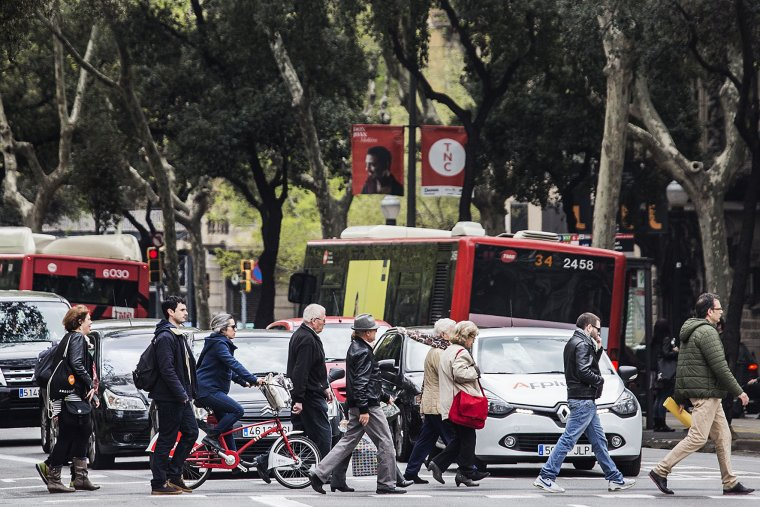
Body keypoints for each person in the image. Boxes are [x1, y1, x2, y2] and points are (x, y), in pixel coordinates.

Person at [649, 293, 754, 496]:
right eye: (718, 309)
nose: (721, 312)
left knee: (723, 435)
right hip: (706, 393)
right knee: (698, 437)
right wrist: (739, 391)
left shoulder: (691, 332)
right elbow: (720, 367)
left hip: (709, 394)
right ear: (709, 312)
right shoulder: (707, 332)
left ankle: (729, 483)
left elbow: (684, 368)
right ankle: (660, 470)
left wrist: (679, 397)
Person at [534, 312, 635, 494]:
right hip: (583, 400)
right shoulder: (581, 344)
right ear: (588, 327)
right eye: (597, 328)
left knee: (599, 441)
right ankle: (546, 476)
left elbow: (585, 364)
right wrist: (599, 380)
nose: (599, 332)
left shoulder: (577, 342)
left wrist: (597, 350)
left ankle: (615, 478)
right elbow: (583, 371)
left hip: (583, 399)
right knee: (569, 439)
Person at [309, 314, 405, 495]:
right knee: (386, 442)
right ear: (366, 332)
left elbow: (365, 381)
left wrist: (383, 396)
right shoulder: (362, 351)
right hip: (367, 406)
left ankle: (319, 473)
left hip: (358, 403)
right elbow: (361, 382)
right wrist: (364, 409)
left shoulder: (356, 348)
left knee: (347, 442)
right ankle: (386, 484)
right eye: (374, 330)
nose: (376, 332)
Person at [36, 305, 100, 493]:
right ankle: (54, 476)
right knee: (67, 435)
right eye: (88, 319)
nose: (91, 322)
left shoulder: (69, 338)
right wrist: (90, 385)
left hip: (67, 395)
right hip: (71, 396)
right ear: (80, 322)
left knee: (82, 431)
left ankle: (79, 477)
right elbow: (77, 364)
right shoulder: (77, 338)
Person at [287, 304, 350, 491]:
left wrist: (324, 387)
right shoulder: (307, 339)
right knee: (324, 435)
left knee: (301, 434)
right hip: (309, 397)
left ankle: (264, 460)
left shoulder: (303, 335)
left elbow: (313, 370)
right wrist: (298, 398)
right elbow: (301, 371)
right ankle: (324, 473)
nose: (324, 324)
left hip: (310, 392)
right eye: (323, 320)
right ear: (314, 321)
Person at [195, 313, 266, 474]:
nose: (235, 330)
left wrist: (244, 382)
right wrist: (253, 379)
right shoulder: (220, 343)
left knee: (226, 427)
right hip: (208, 390)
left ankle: (235, 461)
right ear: (223, 329)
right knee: (237, 410)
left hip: (211, 389)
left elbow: (227, 370)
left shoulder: (218, 342)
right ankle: (211, 437)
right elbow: (232, 363)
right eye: (233, 327)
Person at [148, 296, 199, 495]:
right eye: (182, 309)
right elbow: (167, 369)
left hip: (181, 396)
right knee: (167, 439)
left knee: (191, 433)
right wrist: (181, 393)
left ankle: (174, 475)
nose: (186, 313)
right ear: (170, 312)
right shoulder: (165, 337)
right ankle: (159, 483)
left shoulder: (176, 334)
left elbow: (185, 368)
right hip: (170, 397)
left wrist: (189, 393)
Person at [428, 320, 488, 487]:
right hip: (460, 402)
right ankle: (464, 471)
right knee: (468, 438)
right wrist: (475, 371)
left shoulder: (449, 350)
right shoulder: (461, 352)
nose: (473, 341)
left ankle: (459, 470)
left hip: (452, 401)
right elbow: (460, 373)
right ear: (465, 337)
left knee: (461, 439)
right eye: (472, 337)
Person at [403, 318, 456, 484]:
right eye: (453, 330)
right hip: (437, 404)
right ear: (444, 334)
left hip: (433, 403)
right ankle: (468, 470)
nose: (456, 333)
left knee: (425, 440)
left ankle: (411, 472)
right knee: (454, 439)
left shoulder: (439, 350)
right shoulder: (439, 353)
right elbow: (449, 376)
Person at [653, 319, 678, 432]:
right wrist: (676, 352)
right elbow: (666, 353)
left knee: (658, 398)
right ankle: (662, 423)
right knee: (664, 398)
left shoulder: (655, 339)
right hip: (667, 373)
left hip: (659, 372)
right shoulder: (667, 338)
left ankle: (657, 423)